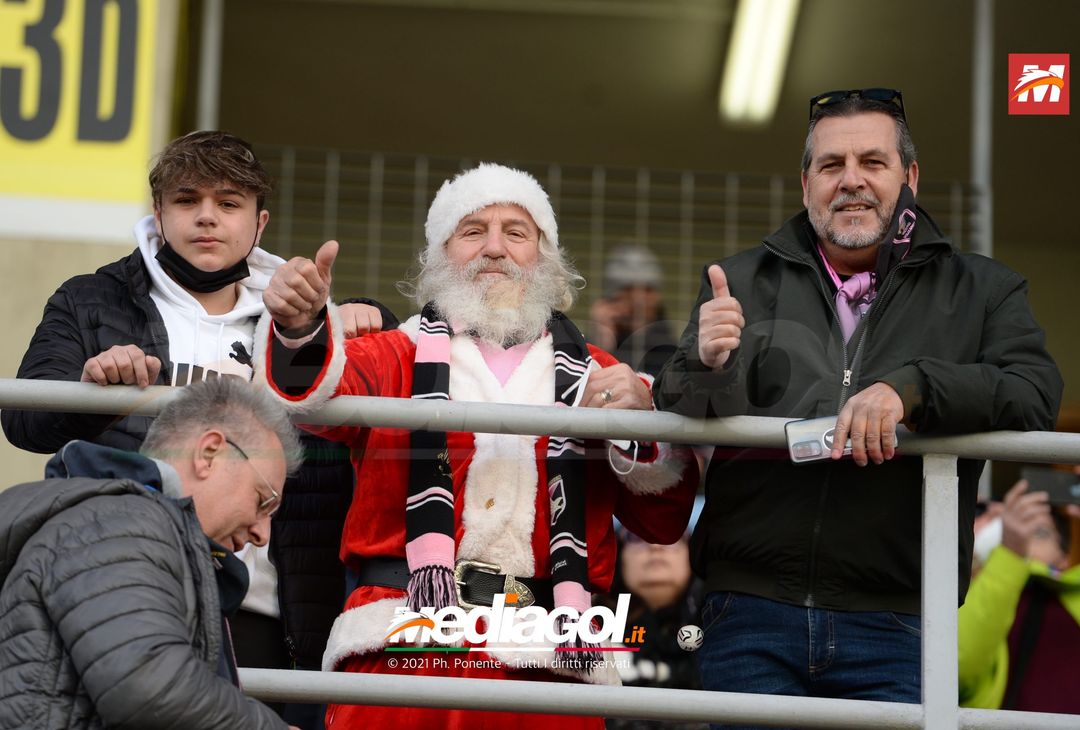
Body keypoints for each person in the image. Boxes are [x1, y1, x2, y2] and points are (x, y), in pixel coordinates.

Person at [653, 88, 1063, 713]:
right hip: (750, 614)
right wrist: (704, 362)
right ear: (806, 182)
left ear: (910, 176)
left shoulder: (984, 290)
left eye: (873, 162)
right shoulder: (738, 280)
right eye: (831, 165)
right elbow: (679, 407)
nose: (851, 181)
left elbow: (1034, 397)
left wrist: (915, 387)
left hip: (900, 623)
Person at [255, 162, 698, 729]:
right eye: (472, 231)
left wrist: (639, 428)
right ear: (440, 254)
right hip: (402, 643)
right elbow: (314, 393)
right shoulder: (397, 351)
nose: (494, 248)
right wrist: (300, 328)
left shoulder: (601, 373)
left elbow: (662, 520)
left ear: (545, 256)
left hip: (550, 659)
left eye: (516, 232)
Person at [0, 131, 394, 729]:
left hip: (273, 604)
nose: (207, 217)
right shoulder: (91, 298)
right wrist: (93, 394)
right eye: (187, 201)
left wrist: (333, 326)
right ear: (158, 215)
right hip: (136, 582)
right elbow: (24, 420)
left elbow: (383, 361)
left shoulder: (297, 310)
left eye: (228, 203)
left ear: (259, 224)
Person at [0, 378, 302, 729]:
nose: (262, 534)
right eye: (263, 501)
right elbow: (148, 688)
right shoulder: (121, 523)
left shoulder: (128, 527)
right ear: (209, 453)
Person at [959, 471, 1080, 713]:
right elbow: (956, 665)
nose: (1016, 532)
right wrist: (1009, 554)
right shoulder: (950, 597)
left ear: (1064, 559)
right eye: (983, 512)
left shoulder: (1071, 593)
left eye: (1038, 532)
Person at [603, 527, 706, 730]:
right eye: (637, 536)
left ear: (692, 553)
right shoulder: (587, 629)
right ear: (618, 553)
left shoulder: (721, 628)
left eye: (673, 536)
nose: (656, 546)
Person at [589, 244, 678, 379]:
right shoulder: (588, 345)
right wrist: (601, 345)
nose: (638, 299)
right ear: (611, 297)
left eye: (647, 289)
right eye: (628, 289)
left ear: (658, 296)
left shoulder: (671, 351)